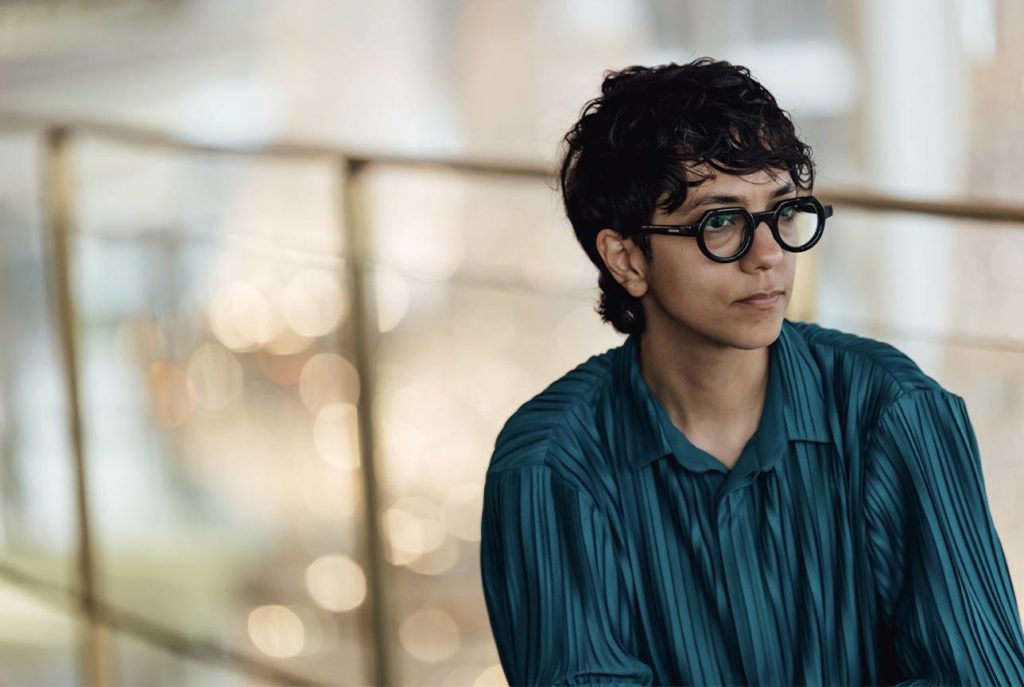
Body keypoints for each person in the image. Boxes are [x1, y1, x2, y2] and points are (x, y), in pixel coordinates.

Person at [478, 57, 1024, 686]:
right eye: (720, 221)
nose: (768, 255)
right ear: (626, 259)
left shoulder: (895, 413)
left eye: (782, 211)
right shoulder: (550, 468)